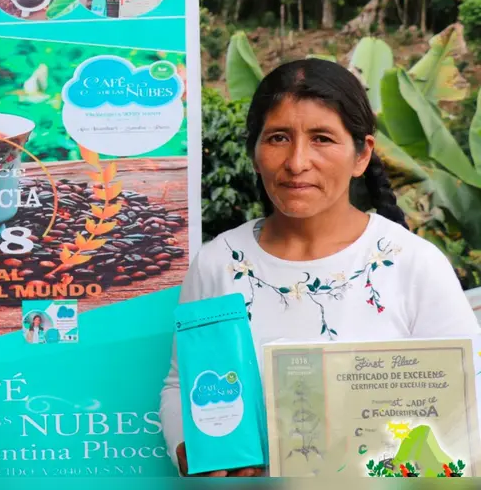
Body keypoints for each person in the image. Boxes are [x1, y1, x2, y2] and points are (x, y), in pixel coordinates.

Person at [158, 58, 480, 477]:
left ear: (361, 154)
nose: (296, 162)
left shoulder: (412, 264)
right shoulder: (218, 263)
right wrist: (190, 446)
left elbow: (467, 396)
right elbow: (179, 386)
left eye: (322, 138)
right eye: (277, 138)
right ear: (254, 153)